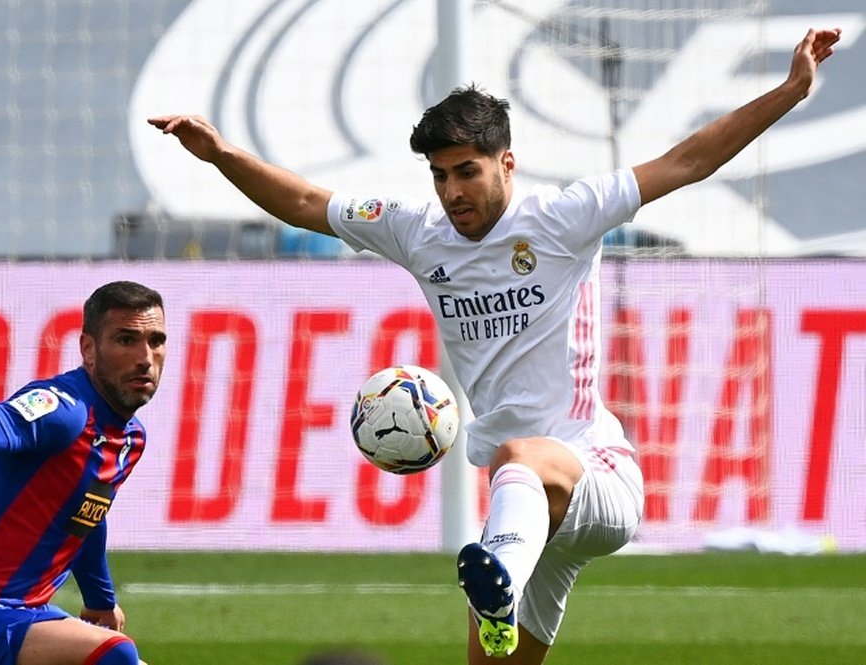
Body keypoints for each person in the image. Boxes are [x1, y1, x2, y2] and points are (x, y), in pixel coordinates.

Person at [149, 27, 841, 664]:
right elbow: (306, 203)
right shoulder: (416, 231)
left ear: (506, 163)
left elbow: (689, 160)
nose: (452, 191)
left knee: (519, 455)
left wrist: (789, 89)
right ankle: (503, 583)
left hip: (592, 474)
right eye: (441, 175)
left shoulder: (567, 217)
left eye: (467, 172)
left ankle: (497, 582)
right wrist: (223, 156)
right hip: (522, 518)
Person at [0, 281, 167, 665]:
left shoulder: (130, 438)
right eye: (126, 340)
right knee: (116, 655)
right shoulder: (64, 410)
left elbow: (84, 516)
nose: (145, 357)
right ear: (88, 349)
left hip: (24, 616)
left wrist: (100, 601)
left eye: (156, 340)